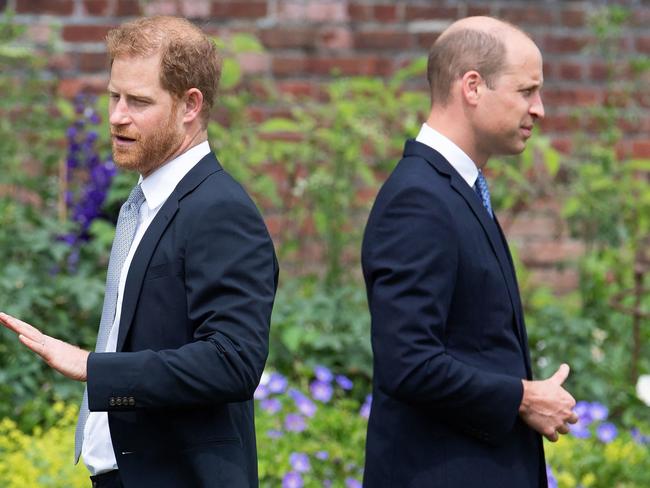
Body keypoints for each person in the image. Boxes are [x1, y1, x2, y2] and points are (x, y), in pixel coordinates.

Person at [0, 16, 278, 488]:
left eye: (139, 102)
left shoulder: (219, 209)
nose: (116, 116)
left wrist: (94, 368)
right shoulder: (146, 202)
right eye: (114, 96)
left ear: (191, 104)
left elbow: (233, 362)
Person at [361, 16, 577, 487]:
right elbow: (409, 362)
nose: (539, 109)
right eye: (526, 91)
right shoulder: (418, 199)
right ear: (473, 87)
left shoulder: (455, 190)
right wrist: (522, 397)